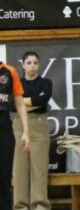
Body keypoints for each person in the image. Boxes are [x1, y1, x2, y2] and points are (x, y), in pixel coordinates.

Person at [12, 52, 49, 210]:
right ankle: (20, 206)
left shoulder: (45, 83)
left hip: (39, 125)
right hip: (19, 125)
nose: (32, 66)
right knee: (19, 170)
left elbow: (42, 101)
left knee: (39, 169)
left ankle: (40, 205)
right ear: (23, 65)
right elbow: (12, 105)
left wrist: (21, 103)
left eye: (35, 62)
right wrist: (28, 102)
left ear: (38, 65)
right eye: (29, 63)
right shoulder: (17, 83)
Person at [0, 57, 30, 210]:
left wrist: (26, 131)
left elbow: (19, 103)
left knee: (4, 177)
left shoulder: (9, 71)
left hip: (4, 127)